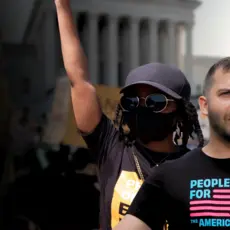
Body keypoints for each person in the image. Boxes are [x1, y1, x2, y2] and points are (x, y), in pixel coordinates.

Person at [54, 0, 204, 228]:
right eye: (131, 101)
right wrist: (62, 6)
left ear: (179, 109)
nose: (142, 108)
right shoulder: (112, 149)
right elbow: (79, 81)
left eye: (155, 101)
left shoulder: (196, 168)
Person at [113, 57, 230, 230]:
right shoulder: (170, 175)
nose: (145, 109)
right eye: (226, 94)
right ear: (204, 106)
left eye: (157, 102)